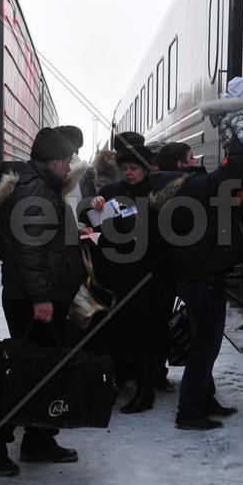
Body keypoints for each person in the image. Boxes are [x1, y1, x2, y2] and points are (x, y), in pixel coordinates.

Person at [0, 127, 85, 476]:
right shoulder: (35, 189)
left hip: (39, 295)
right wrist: (42, 298)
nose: (68, 169)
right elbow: (29, 249)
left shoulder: (37, 185)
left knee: (42, 370)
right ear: (54, 161)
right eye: (66, 162)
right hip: (34, 299)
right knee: (26, 373)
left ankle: (39, 440)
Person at [149, 132, 243, 430]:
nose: (196, 161)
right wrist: (238, 133)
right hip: (203, 277)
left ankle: (205, 398)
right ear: (181, 165)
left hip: (189, 274)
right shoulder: (190, 188)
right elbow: (233, 170)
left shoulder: (166, 188)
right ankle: (189, 411)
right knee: (205, 345)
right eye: (191, 158)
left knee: (200, 341)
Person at [81, 144, 170, 414]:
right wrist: (92, 207)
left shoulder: (156, 196)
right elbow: (91, 218)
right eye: (125, 169)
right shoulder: (109, 191)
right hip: (116, 275)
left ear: (145, 169)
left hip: (148, 276)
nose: (129, 173)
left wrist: (112, 228)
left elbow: (152, 234)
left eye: (134, 169)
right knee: (120, 332)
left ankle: (145, 391)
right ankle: (117, 382)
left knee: (144, 334)